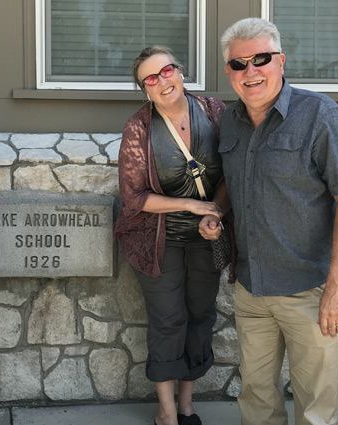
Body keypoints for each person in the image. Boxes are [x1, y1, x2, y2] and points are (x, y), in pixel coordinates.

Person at [202, 17, 338, 425]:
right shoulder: (229, 120)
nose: (251, 71)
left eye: (261, 58)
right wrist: (217, 209)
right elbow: (233, 175)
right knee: (256, 402)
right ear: (229, 72)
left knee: (315, 408)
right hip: (252, 289)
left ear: (281, 61)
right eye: (239, 64)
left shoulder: (319, 113)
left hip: (310, 291)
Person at [114, 46, 230, 425]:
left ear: (179, 71)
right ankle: (166, 413)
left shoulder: (214, 112)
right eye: (150, 78)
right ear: (143, 89)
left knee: (200, 315)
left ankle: (186, 405)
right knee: (168, 319)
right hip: (158, 240)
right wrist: (191, 207)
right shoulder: (139, 127)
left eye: (166, 71)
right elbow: (134, 197)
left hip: (205, 238)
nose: (162, 81)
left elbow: (231, 173)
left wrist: (215, 213)